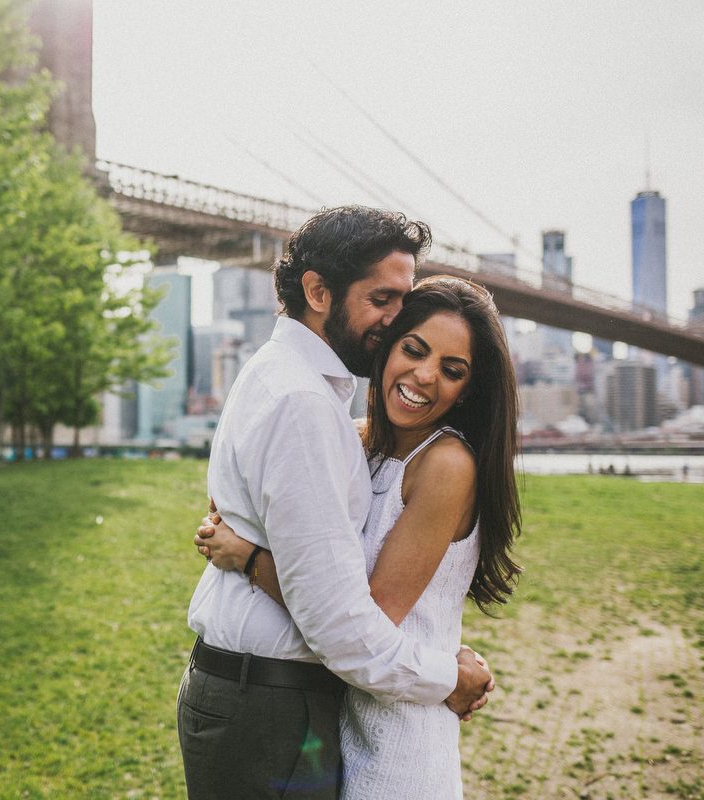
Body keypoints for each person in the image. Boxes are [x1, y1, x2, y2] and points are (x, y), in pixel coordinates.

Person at [177, 206, 494, 800]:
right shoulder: (306, 403)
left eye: (450, 368)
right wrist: (447, 676)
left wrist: (245, 554)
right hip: (273, 707)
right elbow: (340, 619)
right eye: (382, 300)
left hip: (295, 704)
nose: (395, 320)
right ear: (318, 291)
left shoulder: (291, 384)